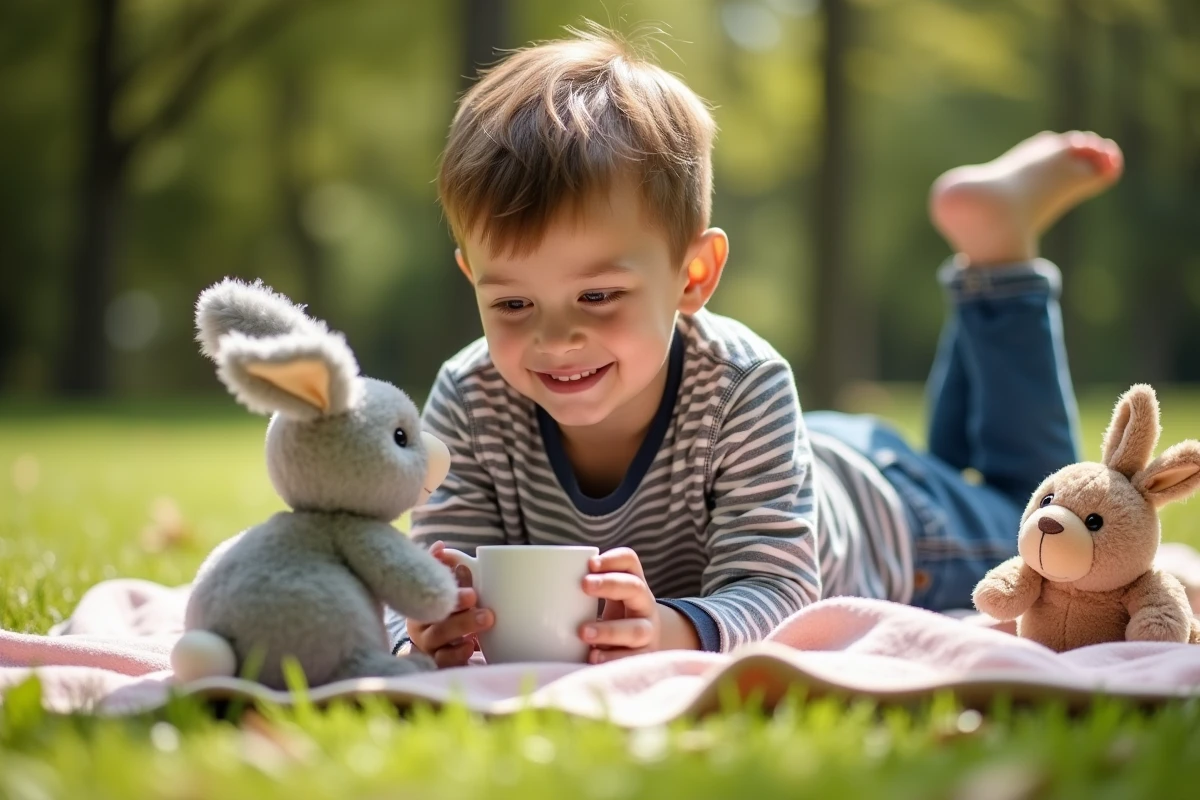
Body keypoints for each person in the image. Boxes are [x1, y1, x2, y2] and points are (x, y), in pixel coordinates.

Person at [385, 26, 1125, 668]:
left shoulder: (742, 381)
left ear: (694, 275)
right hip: (796, 456)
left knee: (1045, 523)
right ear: (472, 278)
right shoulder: (470, 394)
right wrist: (428, 627)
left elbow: (782, 592)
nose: (553, 337)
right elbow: (425, 574)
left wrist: (675, 628)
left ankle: (1001, 259)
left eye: (598, 296)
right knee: (974, 469)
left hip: (893, 523)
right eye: (511, 303)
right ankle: (983, 259)